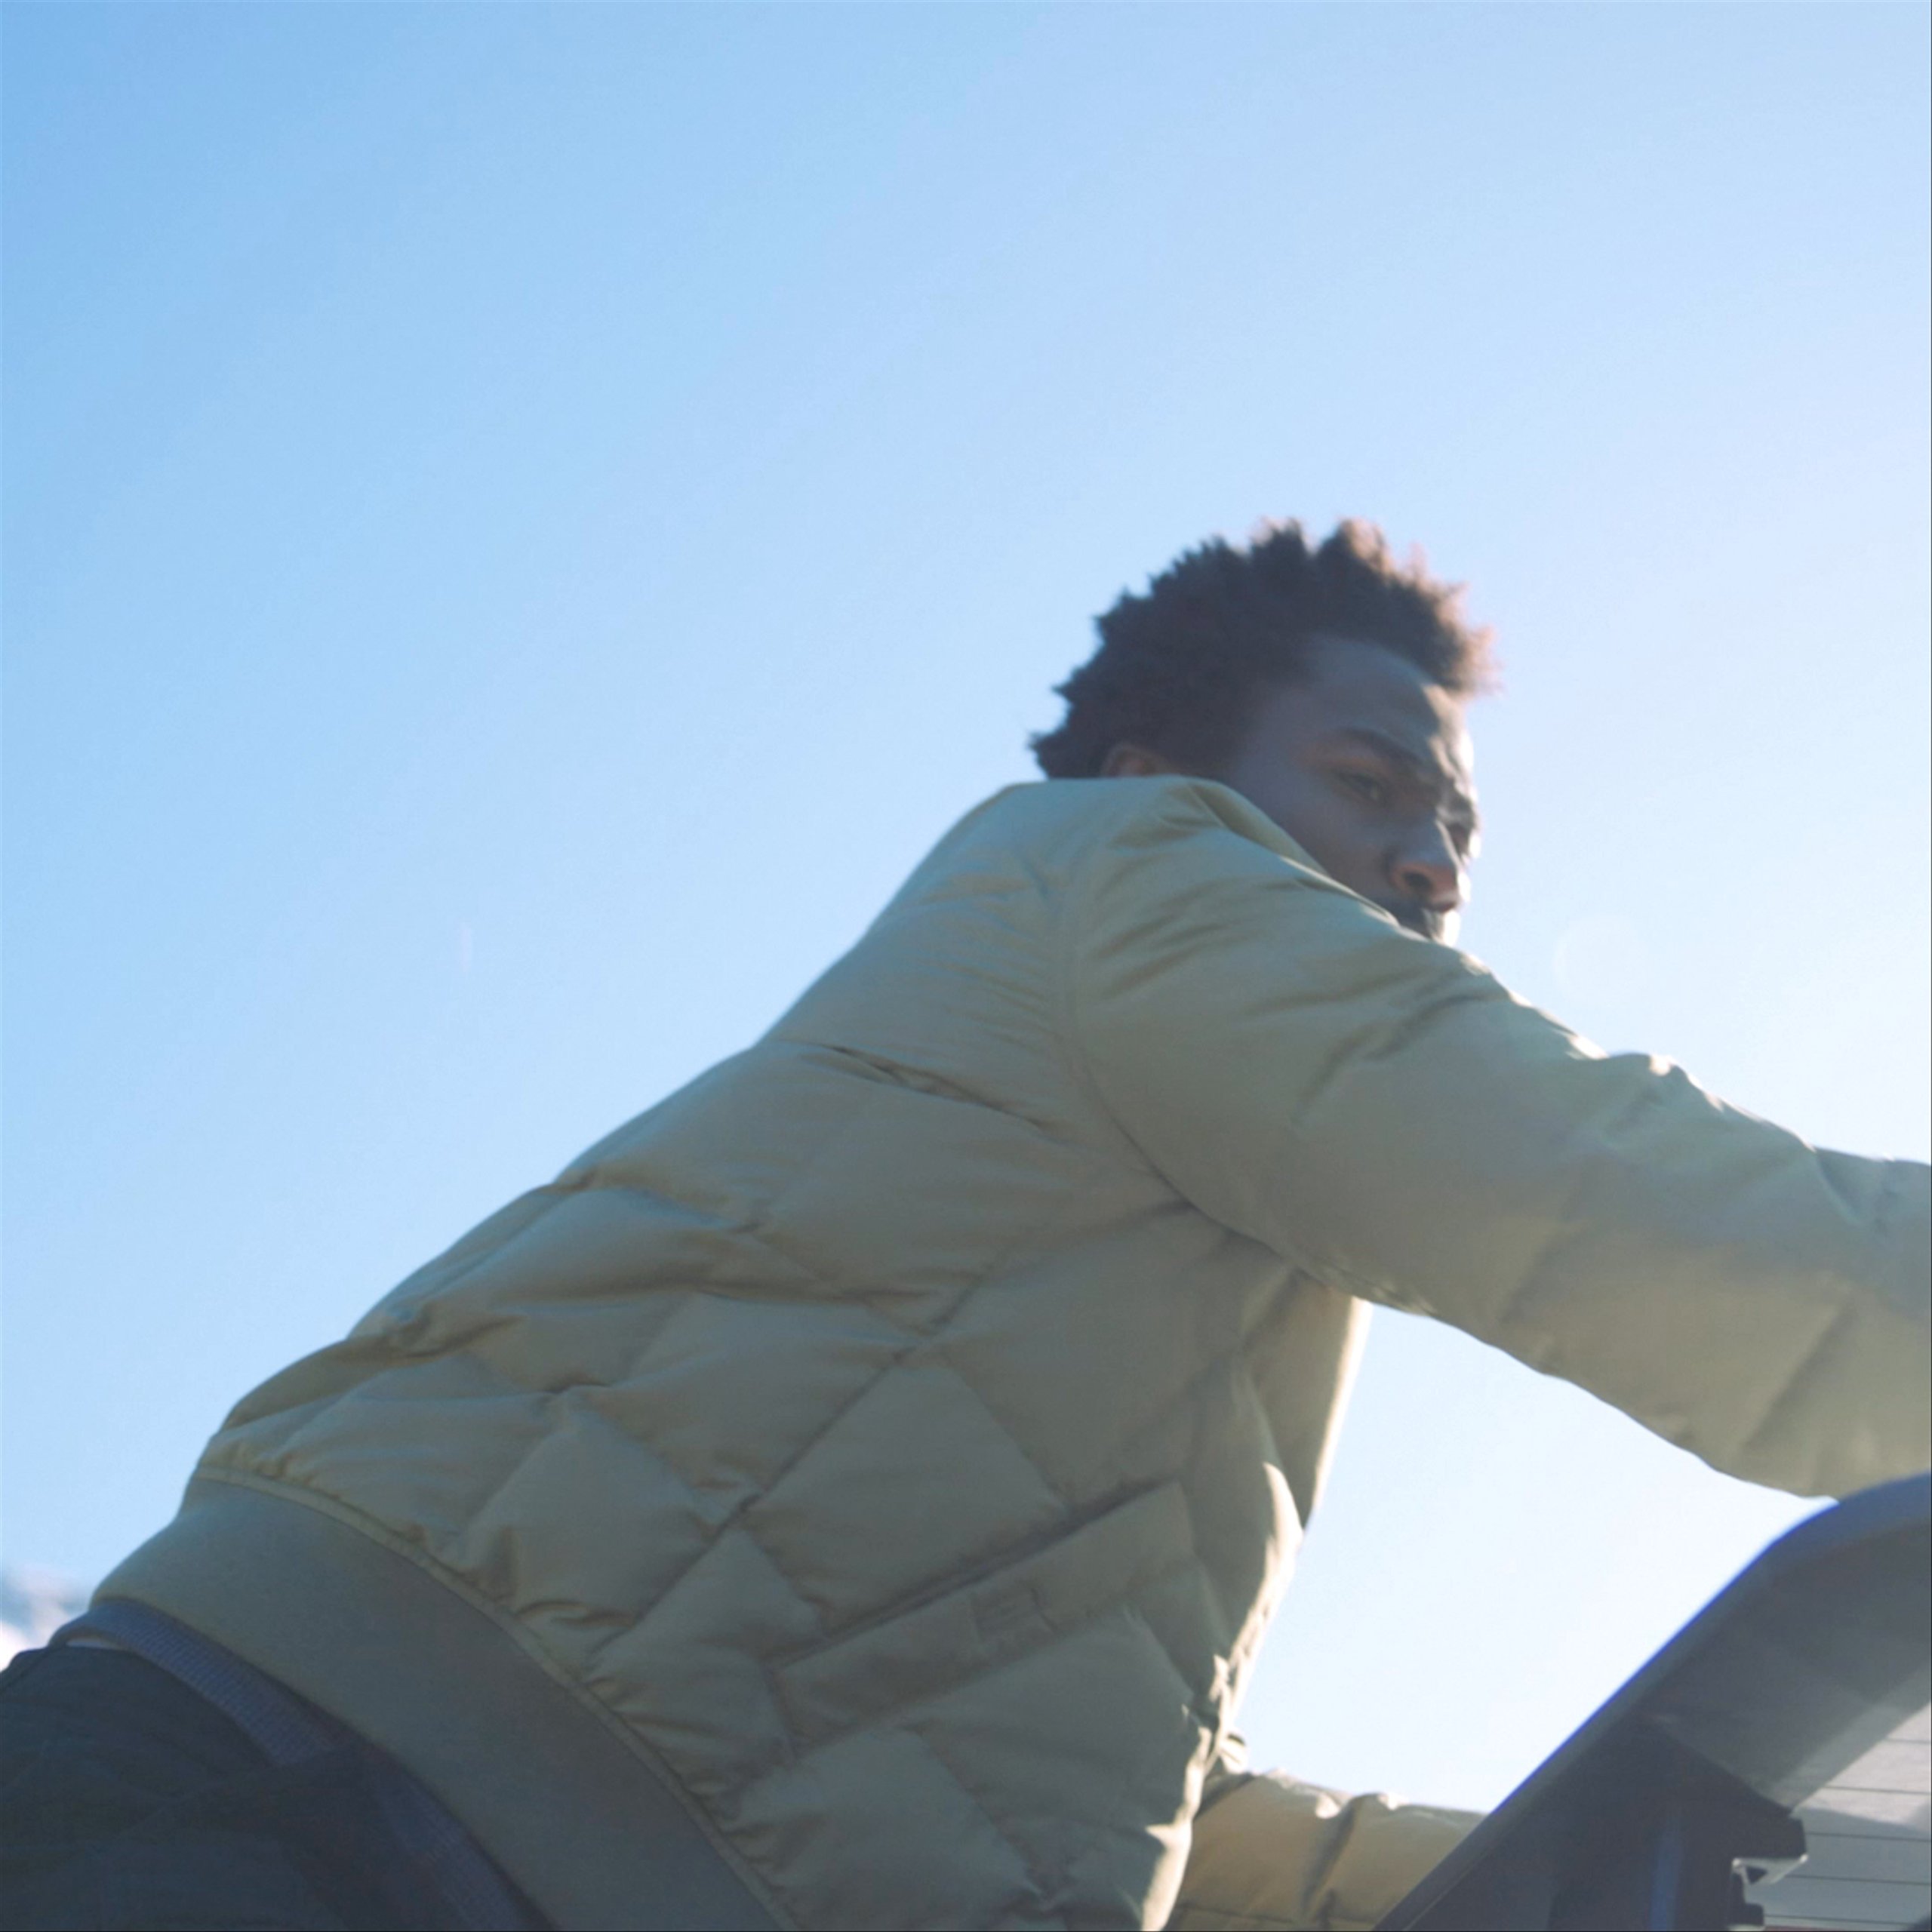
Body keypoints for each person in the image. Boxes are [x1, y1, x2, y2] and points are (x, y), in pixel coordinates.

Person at [4, 521, 1926, 1932]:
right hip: (321, 1812)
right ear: (1148, 768)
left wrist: (1669, 1871)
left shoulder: (1129, 1237)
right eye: (1370, 783)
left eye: (1459, 832)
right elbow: (1709, 1244)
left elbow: (1041, 1792)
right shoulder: (1140, 880)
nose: (1430, 857)